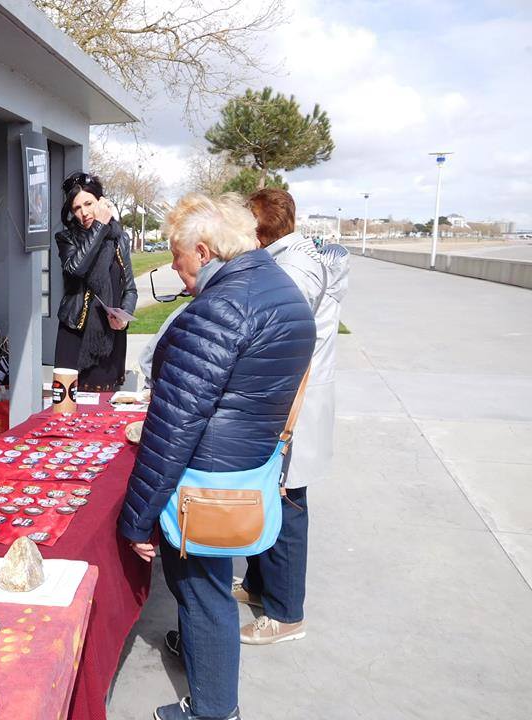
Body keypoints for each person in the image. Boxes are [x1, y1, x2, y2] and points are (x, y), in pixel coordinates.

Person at [118, 193, 315, 720]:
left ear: (202, 252)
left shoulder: (219, 308)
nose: (176, 271)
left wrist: (136, 521)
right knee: (209, 593)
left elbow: (173, 429)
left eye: (178, 258)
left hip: (206, 482)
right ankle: (209, 662)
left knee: (202, 594)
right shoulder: (280, 289)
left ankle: (212, 708)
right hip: (248, 466)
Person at [233, 188, 350, 644]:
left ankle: (285, 613)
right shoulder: (291, 256)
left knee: (286, 501)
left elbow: (275, 334)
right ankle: (261, 586)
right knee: (268, 493)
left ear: (260, 230)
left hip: (293, 402)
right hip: (288, 397)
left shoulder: (295, 267)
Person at [54, 171, 137, 391]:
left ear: (101, 202)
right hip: (76, 335)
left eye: (88, 204)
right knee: (68, 407)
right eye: (76, 208)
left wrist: (124, 318)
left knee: (103, 409)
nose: (84, 213)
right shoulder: (66, 239)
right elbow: (75, 269)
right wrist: (99, 227)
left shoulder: (120, 237)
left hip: (110, 336)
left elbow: (130, 288)